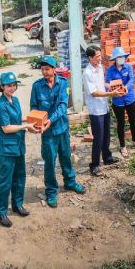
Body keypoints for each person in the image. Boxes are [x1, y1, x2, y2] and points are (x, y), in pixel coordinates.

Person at [30, 55, 85, 207]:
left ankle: (70, 182)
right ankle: (51, 191)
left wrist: (50, 120)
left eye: (47, 69)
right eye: (42, 69)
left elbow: (62, 106)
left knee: (66, 156)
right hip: (47, 132)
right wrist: (36, 121)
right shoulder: (36, 86)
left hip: (61, 127)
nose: (44, 72)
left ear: (54, 69)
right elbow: (33, 107)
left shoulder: (63, 83)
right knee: (49, 162)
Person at [0, 71, 37, 227]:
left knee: (20, 176)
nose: (12, 88)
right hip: (7, 147)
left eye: (14, 85)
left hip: (18, 145)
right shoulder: (0, 105)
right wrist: (25, 126)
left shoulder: (16, 100)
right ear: (2, 87)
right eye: (9, 86)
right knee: (5, 180)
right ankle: (1, 212)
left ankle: (17, 204)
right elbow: (6, 128)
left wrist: (32, 120)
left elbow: (18, 119)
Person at [83, 46, 120, 176]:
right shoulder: (87, 73)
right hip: (96, 110)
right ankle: (94, 165)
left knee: (106, 135)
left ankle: (107, 157)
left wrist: (111, 86)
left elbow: (101, 84)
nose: (100, 58)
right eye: (97, 56)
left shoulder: (99, 68)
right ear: (90, 58)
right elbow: (93, 92)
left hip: (104, 107)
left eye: (100, 55)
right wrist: (111, 94)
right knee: (98, 138)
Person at [105, 47, 135, 158]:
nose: (121, 59)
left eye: (123, 57)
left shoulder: (128, 67)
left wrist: (126, 87)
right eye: (119, 57)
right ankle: (122, 146)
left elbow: (132, 80)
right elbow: (107, 83)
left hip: (130, 97)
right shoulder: (110, 70)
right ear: (115, 59)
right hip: (118, 100)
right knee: (120, 123)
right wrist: (112, 89)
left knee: (133, 120)